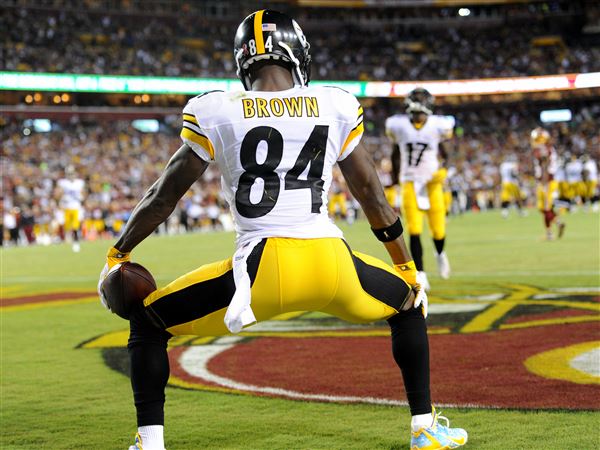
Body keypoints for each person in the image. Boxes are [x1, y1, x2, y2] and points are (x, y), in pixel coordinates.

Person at [98, 10, 467, 450]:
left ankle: (150, 442)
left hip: (261, 269)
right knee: (410, 305)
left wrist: (118, 254)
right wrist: (405, 265)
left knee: (148, 323)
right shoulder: (334, 103)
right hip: (333, 264)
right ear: (298, 55)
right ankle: (424, 430)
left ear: (242, 60)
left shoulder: (216, 108)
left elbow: (164, 196)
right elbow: (372, 197)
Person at [385, 88, 454, 291]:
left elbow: (445, 152)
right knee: (414, 229)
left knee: (439, 229)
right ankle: (421, 273)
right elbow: (395, 153)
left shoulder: (435, 127)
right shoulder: (400, 127)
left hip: (432, 183)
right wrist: (395, 178)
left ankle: (440, 254)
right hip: (410, 182)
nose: (418, 116)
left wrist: (444, 170)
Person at [531, 127, 565, 240]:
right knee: (542, 208)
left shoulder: (543, 149)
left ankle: (549, 233)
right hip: (545, 181)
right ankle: (557, 222)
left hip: (547, 181)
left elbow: (545, 166)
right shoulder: (547, 148)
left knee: (546, 208)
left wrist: (544, 182)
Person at [57, 165, 85, 252]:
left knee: (75, 226)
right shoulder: (63, 183)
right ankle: (67, 242)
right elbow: (58, 194)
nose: (70, 175)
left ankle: (76, 243)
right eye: (69, 173)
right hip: (66, 207)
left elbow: (83, 194)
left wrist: (81, 197)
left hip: (76, 207)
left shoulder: (79, 183)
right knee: (66, 226)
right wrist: (61, 198)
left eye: (72, 173)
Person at [499, 153, 526, 218]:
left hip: (504, 183)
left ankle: (504, 212)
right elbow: (514, 174)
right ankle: (520, 211)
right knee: (517, 197)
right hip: (512, 183)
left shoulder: (502, 165)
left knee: (506, 197)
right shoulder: (513, 165)